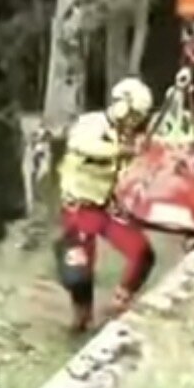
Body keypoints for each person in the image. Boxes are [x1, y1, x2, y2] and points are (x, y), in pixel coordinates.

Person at [55, 77, 157, 332]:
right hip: (80, 207)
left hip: (109, 208)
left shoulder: (132, 136)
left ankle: (121, 301)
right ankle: (81, 317)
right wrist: (122, 150)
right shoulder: (92, 123)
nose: (135, 121)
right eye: (133, 114)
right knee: (79, 273)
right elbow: (80, 144)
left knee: (142, 253)